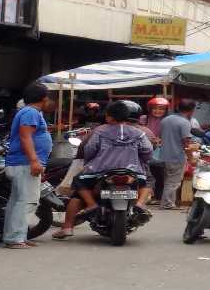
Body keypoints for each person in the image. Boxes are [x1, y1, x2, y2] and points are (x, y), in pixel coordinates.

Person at [52, 101, 152, 239]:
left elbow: (89, 151)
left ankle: (80, 216)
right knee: (146, 181)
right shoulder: (139, 133)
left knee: (77, 183)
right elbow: (147, 152)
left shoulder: (100, 131)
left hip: (100, 172)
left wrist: (92, 161)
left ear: (109, 117)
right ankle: (140, 204)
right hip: (133, 171)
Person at [1, 83, 53, 249]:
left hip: (21, 163)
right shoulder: (31, 112)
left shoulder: (30, 112)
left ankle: (15, 236)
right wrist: (34, 160)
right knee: (27, 201)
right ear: (44, 98)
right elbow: (25, 137)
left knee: (17, 201)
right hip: (24, 163)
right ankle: (16, 238)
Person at [158, 98, 197, 210]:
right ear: (192, 110)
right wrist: (191, 158)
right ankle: (167, 203)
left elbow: (161, 136)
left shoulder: (166, 119)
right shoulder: (184, 122)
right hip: (177, 156)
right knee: (173, 182)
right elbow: (186, 143)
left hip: (164, 155)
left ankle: (170, 203)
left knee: (169, 180)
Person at [142, 96, 169, 204]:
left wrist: (161, 140)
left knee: (159, 173)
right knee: (145, 173)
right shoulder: (143, 119)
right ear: (150, 108)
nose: (158, 111)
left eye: (162, 109)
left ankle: (158, 197)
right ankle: (145, 196)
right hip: (144, 148)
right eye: (156, 108)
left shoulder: (167, 120)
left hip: (160, 150)